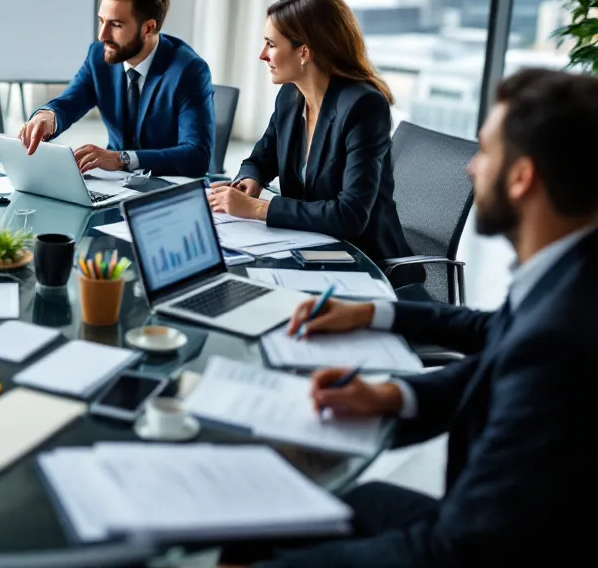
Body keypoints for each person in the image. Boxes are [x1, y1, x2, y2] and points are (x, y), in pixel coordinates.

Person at [224, 69, 598, 568]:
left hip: (482, 546)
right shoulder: (571, 273)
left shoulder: (562, 341)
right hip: (493, 530)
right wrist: (388, 385)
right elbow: (496, 337)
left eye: (484, 152)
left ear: (522, 177)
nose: (469, 168)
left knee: (267, 535)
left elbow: (455, 550)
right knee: (309, 509)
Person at [208, 0, 421, 287]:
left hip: (364, 261)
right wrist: (250, 180)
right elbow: (261, 158)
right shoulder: (290, 96)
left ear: (304, 52)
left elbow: (350, 215)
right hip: (305, 246)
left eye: (271, 44)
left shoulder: (364, 106)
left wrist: (257, 209)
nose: (262, 55)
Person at [17, 0, 214, 177]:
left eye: (116, 25)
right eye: (102, 21)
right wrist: (49, 116)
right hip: (114, 183)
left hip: (166, 185)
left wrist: (121, 159)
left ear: (148, 28)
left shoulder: (188, 70)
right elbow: (70, 101)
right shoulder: (98, 56)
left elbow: (196, 156)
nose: (102, 36)